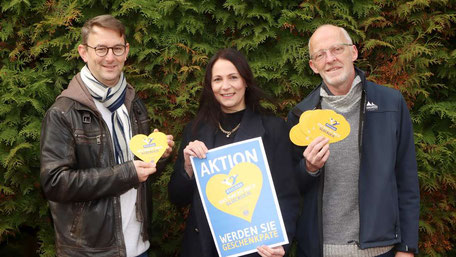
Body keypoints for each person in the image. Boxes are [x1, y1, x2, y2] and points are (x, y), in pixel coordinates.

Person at [40, 14, 174, 257]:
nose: (110, 57)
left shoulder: (132, 103)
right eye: (101, 49)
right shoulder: (64, 112)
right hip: (90, 251)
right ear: (84, 52)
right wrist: (126, 173)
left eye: (116, 48)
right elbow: (55, 183)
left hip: (137, 246)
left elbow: (139, 167)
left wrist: (158, 155)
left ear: (126, 51)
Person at [287, 24, 420, 257]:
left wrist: (407, 248)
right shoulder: (300, 116)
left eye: (337, 49)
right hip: (320, 251)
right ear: (313, 66)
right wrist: (308, 169)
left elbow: (406, 181)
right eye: (320, 55)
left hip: (381, 250)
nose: (330, 59)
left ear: (354, 52)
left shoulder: (390, 104)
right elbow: (289, 188)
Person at [168, 48, 300, 257]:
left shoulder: (274, 129)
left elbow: (288, 195)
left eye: (233, 77)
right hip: (204, 250)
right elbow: (177, 197)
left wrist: (281, 243)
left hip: (256, 250)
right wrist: (187, 169)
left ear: (245, 81)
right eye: (218, 79)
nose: (226, 86)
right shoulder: (194, 131)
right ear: (210, 87)